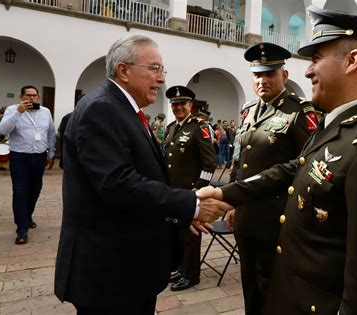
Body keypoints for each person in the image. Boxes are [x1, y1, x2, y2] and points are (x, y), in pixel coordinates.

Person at [199, 6, 357, 314]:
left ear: (352, 61)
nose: (308, 70)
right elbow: (293, 169)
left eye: (316, 59)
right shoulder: (339, 125)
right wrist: (225, 193)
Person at [53, 35, 229, 314]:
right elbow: (118, 184)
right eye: (155, 68)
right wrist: (191, 205)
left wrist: (181, 212)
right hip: (110, 272)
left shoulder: (122, 109)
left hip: (127, 267)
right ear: (123, 71)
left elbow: (148, 177)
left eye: (163, 71)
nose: (161, 79)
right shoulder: (102, 109)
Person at [225, 42, 319, 314]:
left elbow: (307, 164)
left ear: (284, 76)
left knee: (274, 287)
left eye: (270, 74)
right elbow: (238, 160)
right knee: (250, 283)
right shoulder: (248, 111)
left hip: (277, 217)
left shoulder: (300, 112)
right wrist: (232, 200)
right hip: (246, 216)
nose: (262, 80)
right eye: (257, 74)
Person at [163, 85, 217, 291]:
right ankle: (180, 268)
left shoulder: (199, 128)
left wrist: (198, 190)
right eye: (174, 104)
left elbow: (209, 164)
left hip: (190, 193)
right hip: (173, 193)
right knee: (176, 233)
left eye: (182, 104)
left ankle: (191, 275)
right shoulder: (171, 128)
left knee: (190, 235)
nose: (178, 108)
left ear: (190, 105)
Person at [0, 86, 56, 245]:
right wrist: (19, 112)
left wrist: (51, 153)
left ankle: (27, 215)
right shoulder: (12, 110)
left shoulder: (45, 112)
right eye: (28, 95)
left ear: (38, 97)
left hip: (39, 157)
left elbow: (50, 133)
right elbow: (2, 130)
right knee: (20, 191)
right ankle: (22, 229)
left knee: (35, 190)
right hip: (20, 157)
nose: (31, 99)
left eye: (34, 96)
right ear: (21, 96)